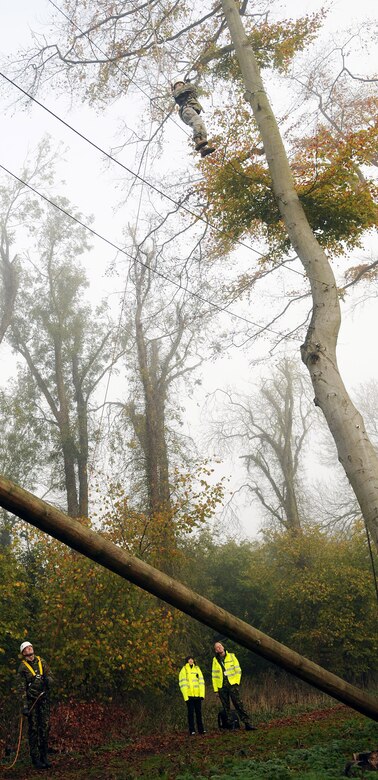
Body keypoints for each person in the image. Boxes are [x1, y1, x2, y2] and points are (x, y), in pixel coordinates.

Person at [17, 641, 53, 770]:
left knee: (45, 728)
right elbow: (21, 689)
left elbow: (50, 674)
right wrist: (25, 707)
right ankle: (35, 758)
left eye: (30, 647)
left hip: (43, 700)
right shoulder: (23, 668)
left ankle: (44, 757)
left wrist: (48, 680)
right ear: (23, 653)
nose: (29, 649)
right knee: (33, 730)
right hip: (32, 702)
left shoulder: (41, 661)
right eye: (26, 648)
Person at [212, 641, 256, 731]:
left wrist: (236, 682)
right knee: (226, 707)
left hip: (232, 684)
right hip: (221, 687)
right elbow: (214, 676)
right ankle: (232, 725)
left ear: (223, 647)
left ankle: (247, 723)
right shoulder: (215, 660)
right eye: (217, 647)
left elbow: (238, 670)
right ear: (216, 651)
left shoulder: (232, 656)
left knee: (239, 704)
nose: (219, 648)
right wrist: (216, 690)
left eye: (220, 646)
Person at [171, 80, 216, 158]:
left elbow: (193, 90)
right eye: (177, 85)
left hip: (191, 110)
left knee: (201, 125)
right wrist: (186, 85)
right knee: (197, 122)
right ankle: (198, 140)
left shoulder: (188, 91)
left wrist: (188, 85)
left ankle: (203, 148)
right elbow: (186, 90)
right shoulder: (177, 91)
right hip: (186, 109)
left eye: (181, 84)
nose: (180, 85)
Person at [178, 655, 206, 735]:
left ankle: (201, 730)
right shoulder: (184, 670)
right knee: (190, 713)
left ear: (193, 660)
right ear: (187, 661)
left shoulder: (197, 669)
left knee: (199, 713)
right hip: (189, 696)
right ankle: (192, 730)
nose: (191, 661)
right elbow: (182, 683)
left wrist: (202, 695)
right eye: (189, 659)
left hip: (197, 695)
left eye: (192, 659)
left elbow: (201, 682)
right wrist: (185, 696)